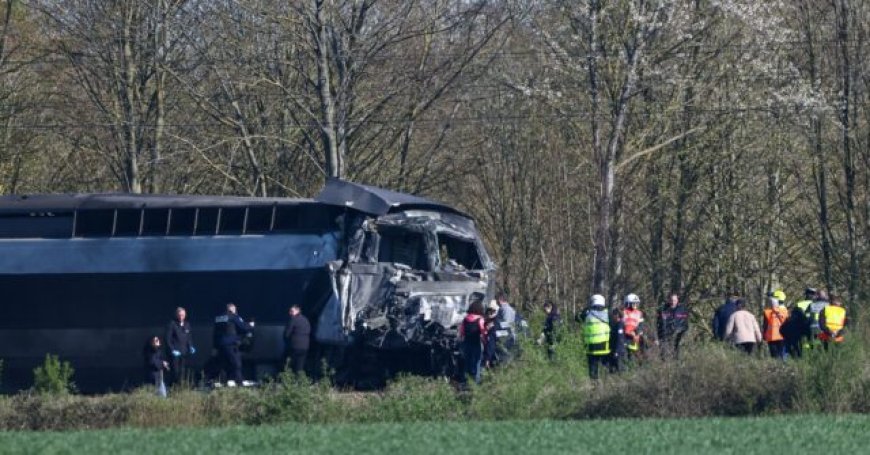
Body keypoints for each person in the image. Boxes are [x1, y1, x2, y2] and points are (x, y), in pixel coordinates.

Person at [212, 302, 254, 387]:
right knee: (236, 363)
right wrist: (250, 325)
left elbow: (215, 333)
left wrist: (214, 346)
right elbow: (243, 327)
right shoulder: (234, 317)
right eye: (234, 310)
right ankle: (239, 381)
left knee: (224, 364)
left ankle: (224, 381)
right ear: (232, 309)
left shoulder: (218, 318)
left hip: (220, 345)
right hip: (231, 344)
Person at [459, 293, 487, 384]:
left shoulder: (465, 319)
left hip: (467, 343)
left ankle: (465, 380)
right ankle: (476, 381)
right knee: (477, 362)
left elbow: (462, 332)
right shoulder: (480, 319)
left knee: (467, 362)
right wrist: (485, 342)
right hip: (476, 343)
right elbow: (483, 332)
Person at [581, 294, 610, 380]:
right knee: (605, 369)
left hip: (591, 348)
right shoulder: (608, 314)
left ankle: (594, 387)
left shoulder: (587, 314)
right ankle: (606, 386)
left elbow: (577, 318)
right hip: (604, 347)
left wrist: (585, 310)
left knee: (593, 370)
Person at [165, 307, 195, 386]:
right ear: (177, 315)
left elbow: (189, 337)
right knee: (175, 371)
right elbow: (168, 339)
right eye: (180, 315)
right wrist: (172, 350)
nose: (181, 316)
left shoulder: (187, 324)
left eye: (183, 315)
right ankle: (173, 386)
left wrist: (191, 346)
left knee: (183, 371)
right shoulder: (172, 324)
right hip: (175, 352)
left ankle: (181, 387)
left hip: (184, 351)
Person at [656, 293, 689, 360]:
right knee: (664, 353)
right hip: (665, 335)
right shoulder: (663, 309)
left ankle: (677, 362)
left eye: (674, 300)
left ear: (677, 300)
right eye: (671, 300)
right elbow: (659, 324)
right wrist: (658, 337)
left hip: (678, 334)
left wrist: (681, 331)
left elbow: (685, 323)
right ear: (668, 300)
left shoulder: (682, 309)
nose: (673, 302)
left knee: (677, 351)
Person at [282, 304, 311, 375]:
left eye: (292, 311)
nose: (290, 313)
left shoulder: (293, 319)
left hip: (294, 346)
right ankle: (300, 382)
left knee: (288, 363)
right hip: (305, 346)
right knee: (300, 366)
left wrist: (286, 340)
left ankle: (287, 379)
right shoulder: (305, 320)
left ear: (298, 311)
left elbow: (287, 334)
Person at [762, 296, 789, 360]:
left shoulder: (767, 312)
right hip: (782, 336)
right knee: (781, 354)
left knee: (774, 355)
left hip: (771, 337)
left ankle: (776, 367)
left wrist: (763, 335)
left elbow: (765, 325)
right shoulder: (784, 311)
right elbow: (787, 323)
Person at [622, 293, 647, 361]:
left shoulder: (639, 313)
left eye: (636, 303)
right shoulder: (623, 312)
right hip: (624, 337)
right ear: (628, 303)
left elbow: (641, 325)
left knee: (633, 357)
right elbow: (621, 325)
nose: (635, 305)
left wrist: (637, 333)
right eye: (633, 303)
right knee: (624, 357)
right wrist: (627, 332)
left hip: (634, 338)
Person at [608, 308, 627, 373]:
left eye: (613, 314)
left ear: (617, 315)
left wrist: (617, 351)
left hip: (619, 351)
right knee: (613, 369)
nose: (612, 316)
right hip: (614, 350)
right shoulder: (615, 324)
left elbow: (620, 339)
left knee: (619, 369)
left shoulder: (620, 324)